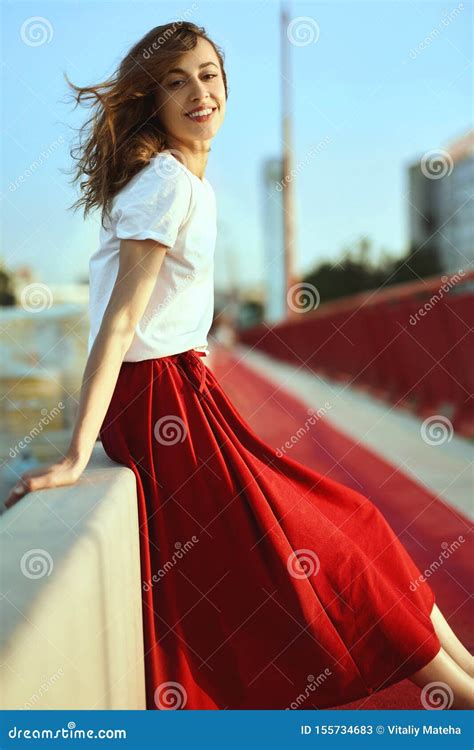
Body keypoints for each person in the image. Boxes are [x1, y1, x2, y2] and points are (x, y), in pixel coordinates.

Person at [5, 21, 473, 711]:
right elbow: (122, 322)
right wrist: (78, 449)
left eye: (209, 75)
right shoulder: (166, 182)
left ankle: (465, 674)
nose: (199, 92)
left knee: (358, 525)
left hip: (185, 393)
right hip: (163, 399)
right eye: (176, 81)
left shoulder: (179, 180)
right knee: (329, 554)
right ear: (153, 101)